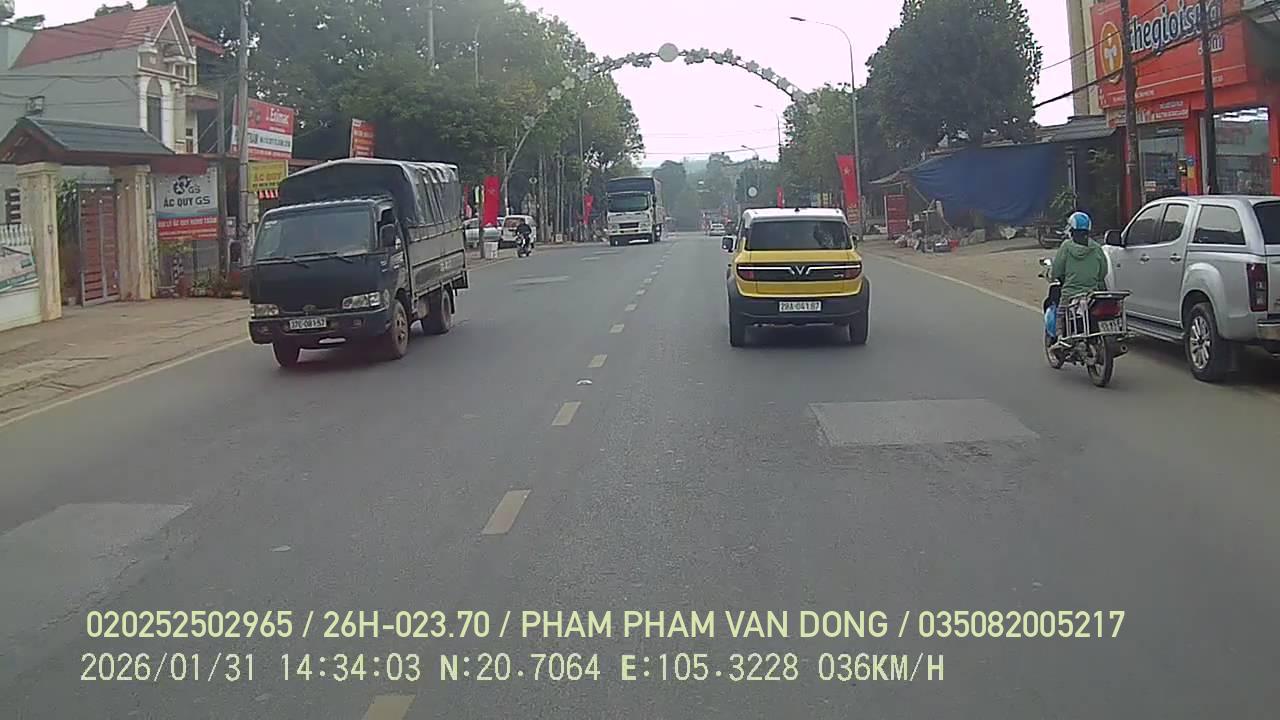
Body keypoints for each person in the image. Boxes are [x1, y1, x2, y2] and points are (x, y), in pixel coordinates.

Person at [1050, 211, 1108, 344]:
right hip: (1092, 294)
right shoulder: (1097, 248)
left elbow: (1057, 269)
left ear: (1072, 230)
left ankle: (1059, 339)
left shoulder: (1066, 247)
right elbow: (1103, 271)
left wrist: (1055, 277)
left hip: (1070, 293)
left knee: (1061, 314)